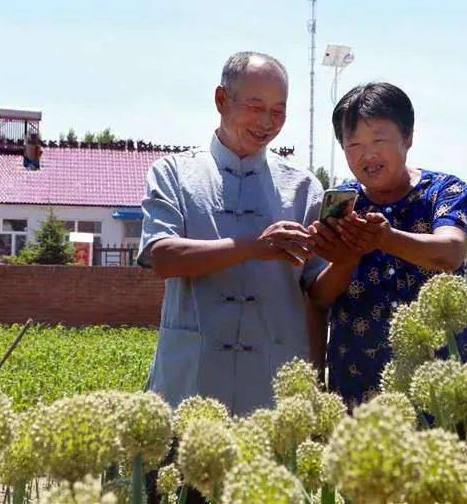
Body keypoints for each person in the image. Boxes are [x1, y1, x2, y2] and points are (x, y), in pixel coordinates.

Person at [137, 51, 328, 416]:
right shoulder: (173, 174)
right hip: (191, 379)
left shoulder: (304, 188)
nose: (268, 122)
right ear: (221, 100)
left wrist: (350, 249)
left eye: (279, 111)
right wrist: (252, 247)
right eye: (256, 107)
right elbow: (161, 257)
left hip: (271, 381)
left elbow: (319, 290)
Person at [307, 82, 467, 407]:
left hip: (442, 381)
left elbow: (451, 252)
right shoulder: (339, 204)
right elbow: (318, 297)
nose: (368, 154)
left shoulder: (443, 191)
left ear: (408, 138)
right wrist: (347, 258)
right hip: (359, 380)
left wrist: (387, 239)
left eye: (379, 140)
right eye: (354, 144)